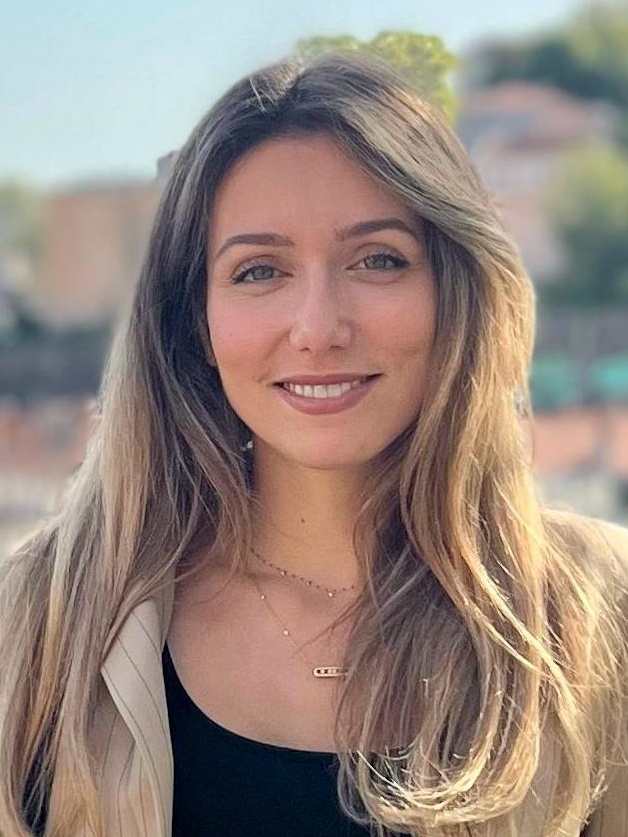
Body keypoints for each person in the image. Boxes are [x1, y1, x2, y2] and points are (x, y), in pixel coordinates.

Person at [1, 52, 628, 837]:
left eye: (378, 259)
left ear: (455, 290)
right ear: (195, 319)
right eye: (259, 270)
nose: (318, 327)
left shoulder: (602, 611)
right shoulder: (42, 619)